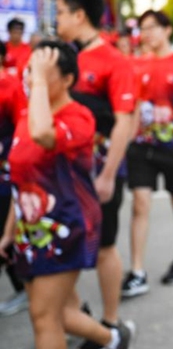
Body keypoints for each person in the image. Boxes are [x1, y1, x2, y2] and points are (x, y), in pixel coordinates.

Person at [0, 40, 133, 349]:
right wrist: (9, 233)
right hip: (30, 232)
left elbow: (44, 134)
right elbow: (21, 181)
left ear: (68, 80)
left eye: (43, 72)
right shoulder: (27, 118)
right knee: (57, 313)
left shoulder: (79, 117)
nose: (32, 78)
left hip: (67, 228)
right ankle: (113, 338)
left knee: (43, 316)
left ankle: (112, 338)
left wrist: (39, 86)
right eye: (30, 70)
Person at [52, 0, 136, 349]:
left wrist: (106, 175)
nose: (56, 20)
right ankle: (78, 314)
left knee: (104, 247)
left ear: (79, 14)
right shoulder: (62, 56)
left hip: (101, 173)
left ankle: (111, 324)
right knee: (62, 245)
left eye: (58, 12)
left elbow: (125, 121)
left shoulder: (114, 60)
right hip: (63, 173)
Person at [122, 10, 173, 297]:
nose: (147, 33)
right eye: (143, 28)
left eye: (153, 27)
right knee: (139, 204)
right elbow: (134, 107)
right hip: (142, 147)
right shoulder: (136, 64)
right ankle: (136, 271)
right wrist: (130, 141)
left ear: (167, 30)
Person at [0, 40, 28, 317]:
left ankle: (24, 288)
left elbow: (23, 128)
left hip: (7, 176)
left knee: (7, 235)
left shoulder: (11, 86)